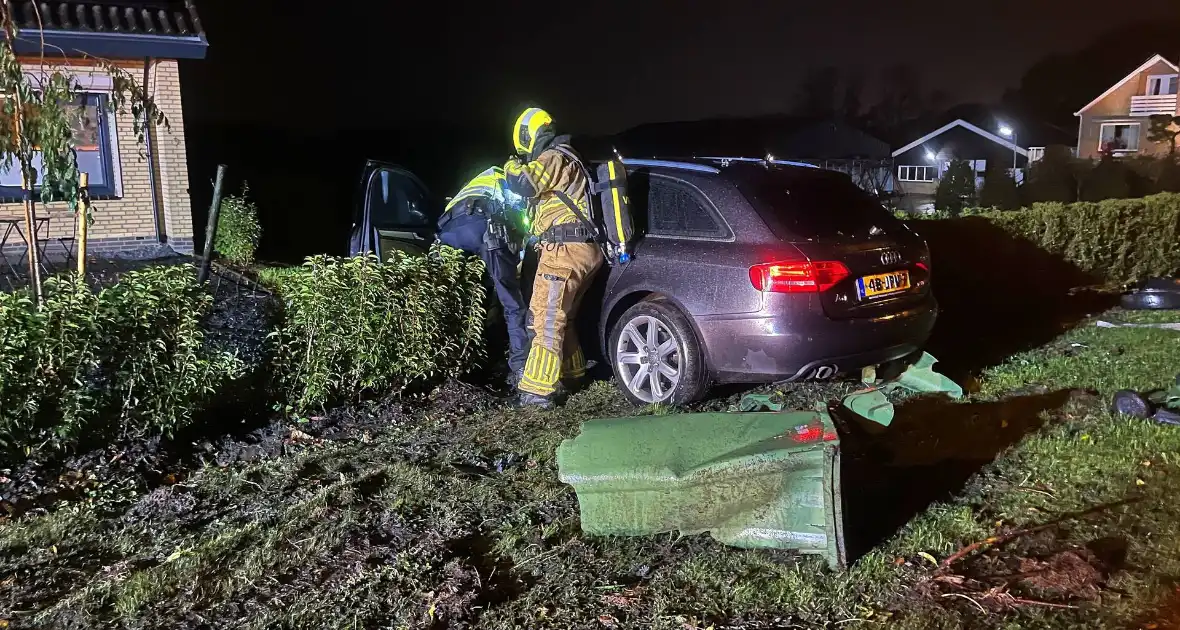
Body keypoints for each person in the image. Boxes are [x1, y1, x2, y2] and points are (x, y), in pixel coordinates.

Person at [503, 107, 605, 409]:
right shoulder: (571, 158)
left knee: (545, 319)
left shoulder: (553, 157)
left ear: (529, 136)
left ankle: (537, 391)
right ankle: (573, 374)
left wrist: (511, 166)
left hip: (564, 251)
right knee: (565, 316)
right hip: (583, 249)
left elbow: (524, 182)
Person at [436, 166, 530, 387]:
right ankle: (521, 368)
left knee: (460, 299)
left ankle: (457, 366)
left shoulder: (477, 181)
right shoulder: (509, 178)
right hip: (483, 225)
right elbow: (521, 218)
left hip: (448, 231)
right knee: (513, 303)